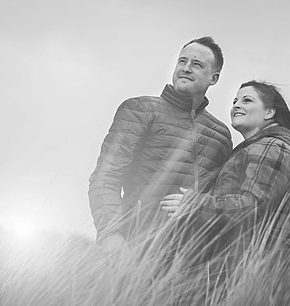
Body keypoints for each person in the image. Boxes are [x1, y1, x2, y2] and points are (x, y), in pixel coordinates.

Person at [163, 80, 290, 302]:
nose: (237, 105)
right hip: (259, 272)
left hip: (265, 276)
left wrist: (194, 204)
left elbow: (255, 206)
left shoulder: (271, 147)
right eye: (235, 101)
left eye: (247, 100)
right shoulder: (258, 148)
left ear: (269, 112)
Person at [88, 37, 233, 258]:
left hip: (193, 258)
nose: (185, 68)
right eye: (182, 61)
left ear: (214, 78)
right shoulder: (140, 109)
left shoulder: (221, 136)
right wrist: (111, 234)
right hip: (135, 246)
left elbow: (218, 199)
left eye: (197, 64)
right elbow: (106, 176)